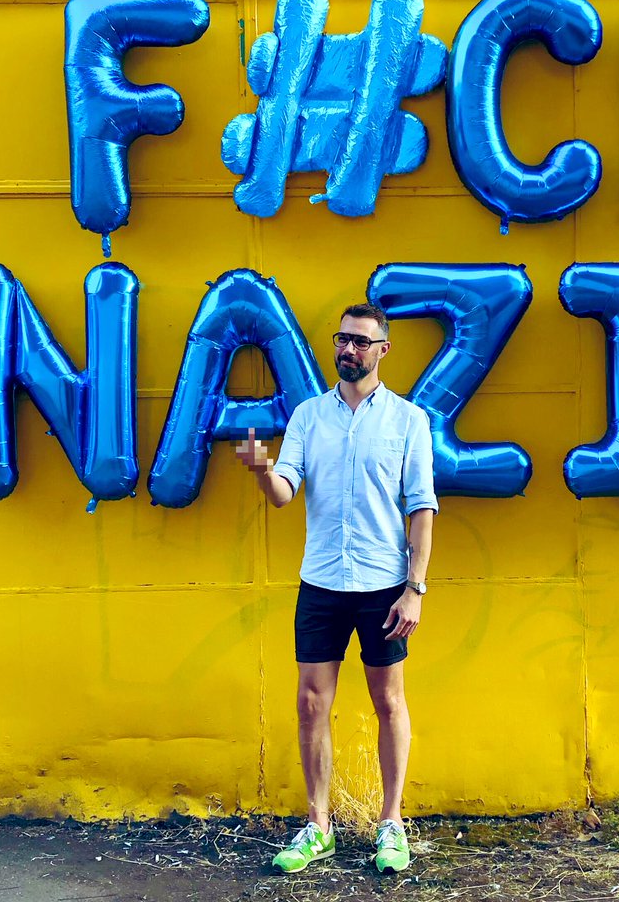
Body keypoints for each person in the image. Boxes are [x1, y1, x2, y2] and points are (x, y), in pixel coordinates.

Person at [235, 302, 437, 875]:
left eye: (360, 341)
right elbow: (284, 492)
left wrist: (415, 589)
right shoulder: (308, 417)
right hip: (321, 581)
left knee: (388, 701)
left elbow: (422, 508)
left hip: (383, 585)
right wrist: (261, 468)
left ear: (382, 350)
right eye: (342, 339)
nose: (348, 349)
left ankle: (391, 823)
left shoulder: (408, 420)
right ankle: (319, 825)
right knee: (310, 703)